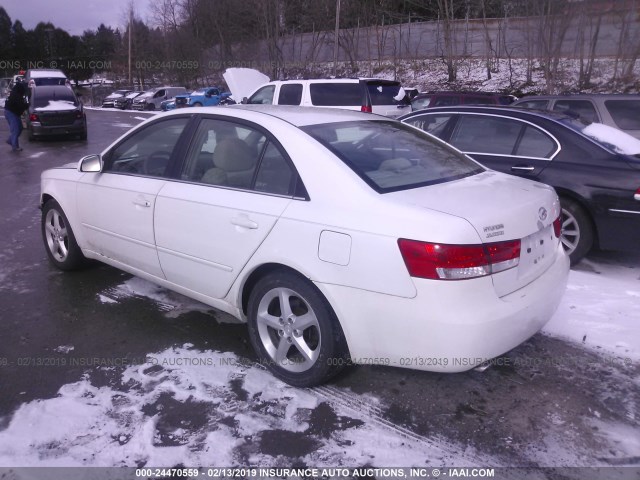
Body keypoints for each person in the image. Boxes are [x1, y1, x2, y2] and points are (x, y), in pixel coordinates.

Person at [4, 80, 28, 152]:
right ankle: (15, 147)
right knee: (15, 129)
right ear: (21, 89)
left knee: (20, 128)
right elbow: (21, 105)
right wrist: (27, 105)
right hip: (11, 112)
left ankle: (10, 140)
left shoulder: (16, 93)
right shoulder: (16, 95)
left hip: (14, 112)